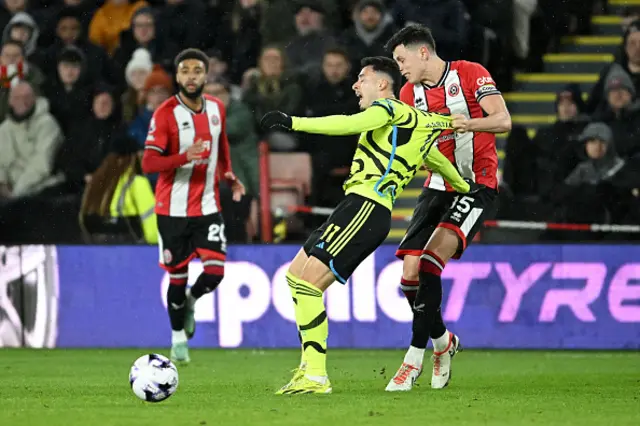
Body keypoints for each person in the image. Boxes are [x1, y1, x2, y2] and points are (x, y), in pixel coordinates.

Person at [260, 56, 482, 395]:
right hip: (357, 207)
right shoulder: (420, 123)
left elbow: (346, 124)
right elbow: (438, 162)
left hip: (366, 207)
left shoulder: (389, 110)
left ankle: (316, 375)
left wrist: (293, 122)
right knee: (295, 275)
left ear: (382, 84)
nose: (354, 85)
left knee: (308, 287)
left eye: (361, 78)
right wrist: (467, 188)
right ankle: (308, 366)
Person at [384, 24, 511, 391]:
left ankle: (413, 360)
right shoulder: (409, 93)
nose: (401, 68)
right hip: (436, 186)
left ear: (422, 52)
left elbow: (503, 120)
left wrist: (467, 123)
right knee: (408, 278)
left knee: (428, 263)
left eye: (402, 59)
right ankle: (442, 341)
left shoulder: (471, 73)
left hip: (476, 186)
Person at [141, 48, 245, 364]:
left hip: (208, 205)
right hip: (171, 210)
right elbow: (148, 162)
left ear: (205, 75)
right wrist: (184, 157)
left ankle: (191, 301)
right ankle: (177, 341)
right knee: (177, 275)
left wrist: (229, 174)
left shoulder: (216, 108)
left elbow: (221, 145)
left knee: (215, 273)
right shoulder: (164, 114)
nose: (191, 76)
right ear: (177, 76)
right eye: (185, 70)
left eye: (197, 70)